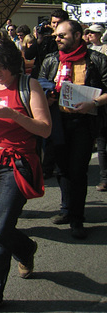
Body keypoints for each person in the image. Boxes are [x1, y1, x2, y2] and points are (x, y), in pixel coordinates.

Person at [0, 37, 52, 313]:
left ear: (13, 63)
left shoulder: (30, 86)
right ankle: (26, 248)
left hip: (17, 163)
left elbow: (44, 129)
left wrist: (12, 115)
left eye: (1, 66)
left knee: (1, 231)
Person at [39, 19, 107, 239]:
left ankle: (78, 219)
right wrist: (46, 97)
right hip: (57, 121)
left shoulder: (96, 60)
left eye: (62, 36)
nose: (57, 39)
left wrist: (93, 103)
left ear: (78, 36)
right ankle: (66, 209)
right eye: (56, 36)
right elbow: (39, 85)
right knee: (62, 169)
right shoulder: (51, 60)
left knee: (78, 171)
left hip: (83, 123)